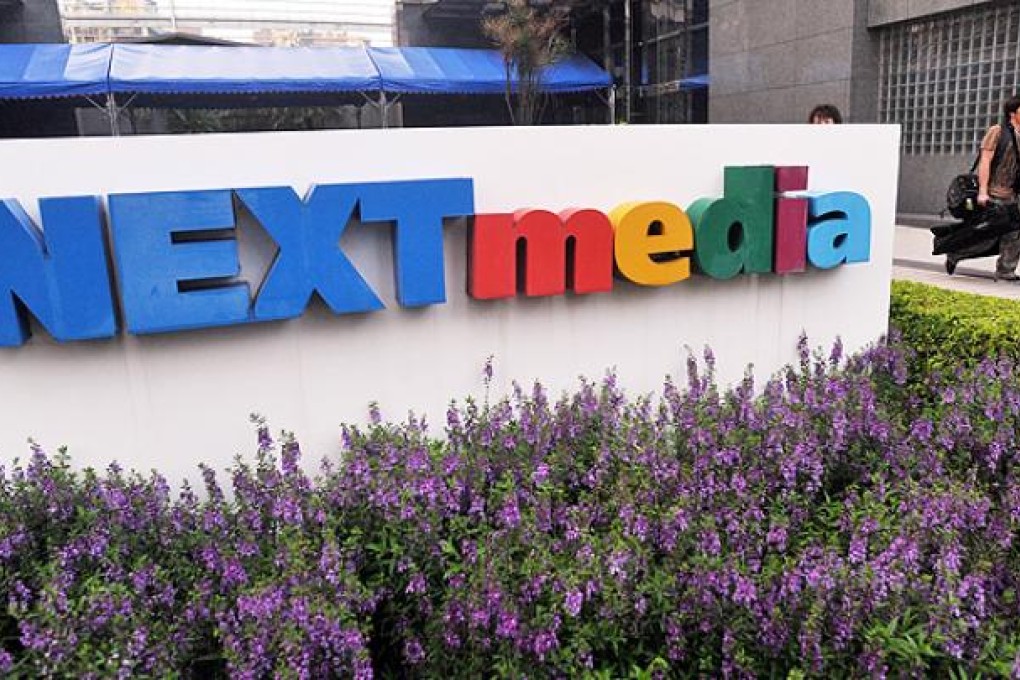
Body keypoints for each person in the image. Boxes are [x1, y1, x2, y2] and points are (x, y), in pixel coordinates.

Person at [945, 95, 1020, 278]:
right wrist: (983, 191)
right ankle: (956, 253)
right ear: (1013, 112)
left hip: (1013, 194)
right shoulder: (997, 131)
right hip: (994, 192)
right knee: (987, 235)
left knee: (1015, 233)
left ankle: (1006, 270)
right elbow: (985, 161)